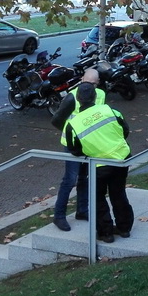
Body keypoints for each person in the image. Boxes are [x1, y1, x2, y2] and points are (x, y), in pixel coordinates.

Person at [63, 82, 134, 243]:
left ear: (78, 99)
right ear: (95, 97)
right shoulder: (110, 110)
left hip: (98, 165)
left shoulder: (72, 124)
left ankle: (106, 233)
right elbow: (125, 130)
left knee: (97, 199)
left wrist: (91, 150)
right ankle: (124, 229)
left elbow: (74, 149)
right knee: (118, 194)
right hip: (121, 160)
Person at [48, 68, 100, 231]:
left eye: (93, 84)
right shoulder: (72, 96)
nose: (89, 86)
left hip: (88, 143)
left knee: (84, 178)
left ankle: (82, 211)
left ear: (98, 83)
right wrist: (72, 132)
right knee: (70, 180)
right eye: (87, 82)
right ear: (82, 79)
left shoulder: (101, 94)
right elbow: (56, 120)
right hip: (72, 144)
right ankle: (59, 216)